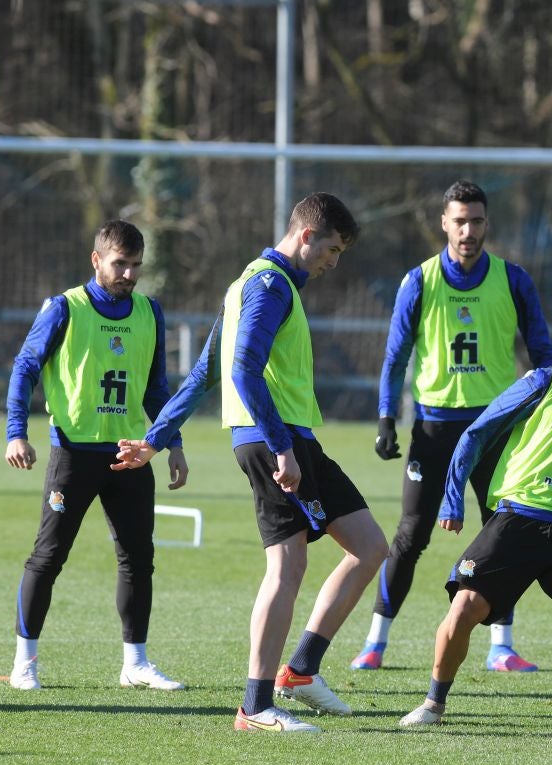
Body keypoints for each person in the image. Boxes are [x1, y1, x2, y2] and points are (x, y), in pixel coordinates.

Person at [114, 193, 389, 734]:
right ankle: (255, 706)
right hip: (273, 441)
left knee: (370, 546)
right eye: (332, 249)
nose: (334, 262)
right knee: (286, 569)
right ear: (306, 235)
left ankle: (301, 671)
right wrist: (282, 447)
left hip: (291, 438)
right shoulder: (268, 287)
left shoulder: (252, 283)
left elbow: (203, 374)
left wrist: (153, 440)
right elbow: (241, 370)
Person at [398, 300, 552, 730]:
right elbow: (476, 434)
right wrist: (452, 497)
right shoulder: (544, 382)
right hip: (518, 518)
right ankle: (433, 704)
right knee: (464, 609)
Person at [354, 180, 552, 673]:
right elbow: (395, 356)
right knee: (411, 535)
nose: (468, 231)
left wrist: (547, 409)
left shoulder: (513, 280)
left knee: (503, 533)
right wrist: (386, 416)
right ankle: (375, 642)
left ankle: (501, 646)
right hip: (433, 429)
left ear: (487, 224)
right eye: (460, 221)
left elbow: (542, 353)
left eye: (477, 221)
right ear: (444, 223)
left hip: (496, 428)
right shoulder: (419, 281)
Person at [4, 219, 188, 691]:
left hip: (130, 455)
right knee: (48, 557)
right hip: (74, 455)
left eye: (136, 265)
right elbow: (25, 367)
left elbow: (156, 388)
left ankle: (136, 664)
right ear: (96, 260)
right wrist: (16, 433)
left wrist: (173, 444)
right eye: (120, 264)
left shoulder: (150, 311)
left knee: (138, 559)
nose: (129, 274)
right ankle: (24, 662)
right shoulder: (64, 308)